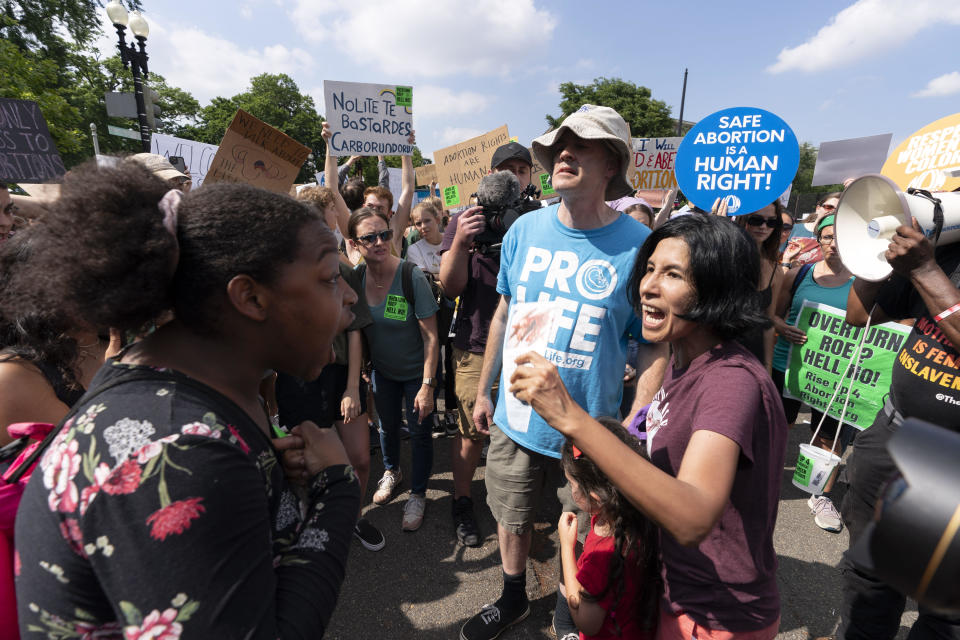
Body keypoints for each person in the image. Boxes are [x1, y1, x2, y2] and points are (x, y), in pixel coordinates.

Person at [11, 159, 361, 637]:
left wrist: (269, 478)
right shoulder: (177, 451)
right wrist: (336, 488)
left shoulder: (173, 389)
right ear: (251, 298)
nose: (349, 297)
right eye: (328, 278)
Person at [508, 214, 788, 639]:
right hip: (674, 593)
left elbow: (694, 517)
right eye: (650, 269)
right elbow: (646, 431)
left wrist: (572, 417)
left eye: (673, 274)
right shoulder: (685, 359)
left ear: (716, 287)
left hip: (713, 618)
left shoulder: (731, 381)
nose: (648, 286)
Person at [460, 105, 668, 640]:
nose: (564, 154)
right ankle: (511, 597)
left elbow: (651, 345)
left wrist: (637, 422)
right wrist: (484, 392)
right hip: (515, 419)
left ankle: (567, 607)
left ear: (611, 167)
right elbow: (505, 314)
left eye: (583, 146)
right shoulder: (524, 231)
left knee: (587, 528)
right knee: (511, 512)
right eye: (557, 147)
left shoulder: (639, 247)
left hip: (591, 430)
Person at [841, 217, 960, 639]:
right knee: (870, 576)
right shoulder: (945, 249)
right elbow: (859, 314)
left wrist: (927, 271)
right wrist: (874, 263)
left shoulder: (930, 263)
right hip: (893, 438)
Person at [438, 141, 542, 549]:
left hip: (527, 343)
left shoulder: (540, 218)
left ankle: (518, 504)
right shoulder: (467, 218)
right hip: (477, 341)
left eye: (523, 168)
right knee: (470, 431)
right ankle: (462, 501)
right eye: (509, 168)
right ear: (492, 173)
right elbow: (450, 287)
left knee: (525, 426)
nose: (517, 174)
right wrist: (462, 240)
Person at [272, 185, 385, 552]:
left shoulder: (345, 269)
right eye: (330, 218)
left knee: (359, 458)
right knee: (307, 461)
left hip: (340, 377)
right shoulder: (282, 272)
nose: (336, 223)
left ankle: (353, 516)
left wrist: (353, 388)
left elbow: (355, 332)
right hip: (299, 380)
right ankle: (315, 522)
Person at [348, 207, 439, 532]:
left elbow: (431, 338)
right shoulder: (356, 279)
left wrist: (428, 386)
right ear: (354, 243)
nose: (379, 242)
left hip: (418, 373)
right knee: (386, 427)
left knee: (419, 432)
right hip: (382, 373)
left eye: (384, 234)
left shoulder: (409, 275)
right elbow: (355, 332)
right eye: (369, 237)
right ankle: (392, 471)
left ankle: (417, 493)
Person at [772, 214, 854, 533]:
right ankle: (764, 483)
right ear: (818, 240)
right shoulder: (800, 273)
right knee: (778, 428)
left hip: (834, 374)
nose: (834, 244)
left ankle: (819, 493)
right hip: (789, 366)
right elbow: (774, 315)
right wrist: (784, 328)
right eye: (827, 237)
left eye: (841, 237)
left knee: (829, 436)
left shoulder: (865, 281)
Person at [558, 416, 659, 640]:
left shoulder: (602, 557)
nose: (570, 490)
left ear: (595, 496)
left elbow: (587, 621)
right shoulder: (641, 514)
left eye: (572, 484)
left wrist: (566, 548)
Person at [407, 201, 458, 431]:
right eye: (417, 223)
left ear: (438, 218)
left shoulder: (453, 242)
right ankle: (435, 412)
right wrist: (446, 279)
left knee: (454, 362)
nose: (422, 226)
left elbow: (456, 276)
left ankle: (450, 410)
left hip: (457, 311)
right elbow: (425, 284)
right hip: (432, 314)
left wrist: (440, 279)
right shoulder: (414, 250)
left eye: (426, 220)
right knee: (434, 361)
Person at [731, 201, 784, 371]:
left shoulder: (776, 270)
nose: (763, 227)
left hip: (753, 356)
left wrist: (767, 367)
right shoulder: (725, 259)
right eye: (756, 220)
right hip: (719, 352)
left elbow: (768, 323)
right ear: (743, 219)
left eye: (771, 222)